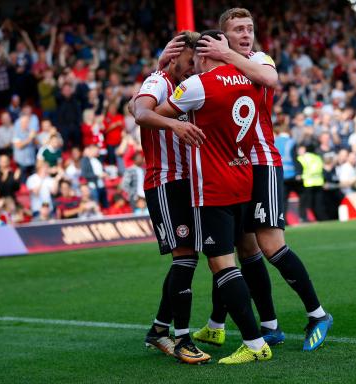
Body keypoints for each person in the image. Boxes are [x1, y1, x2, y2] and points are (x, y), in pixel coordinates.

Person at [186, 9, 332, 351]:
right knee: (245, 248)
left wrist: (228, 55)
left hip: (262, 161)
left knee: (270, 245)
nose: (246, 33)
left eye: (249, 28)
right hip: (236, 168)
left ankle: (317, 313)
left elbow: (270, 80)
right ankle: (269, 326)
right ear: (223, 35)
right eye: (238, 29)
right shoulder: (220, 70)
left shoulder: (258, 59)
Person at [154, 29, 273, 364]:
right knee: (240, 256)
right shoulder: (249, 79)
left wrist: (164, 76)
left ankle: (253, 343)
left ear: (205, 54)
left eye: (195, 59)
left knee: (222, 265)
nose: (192, 66)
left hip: (212, 187)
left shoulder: (197, 86)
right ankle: (228, 327)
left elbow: (154, 114)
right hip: (243, 179)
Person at [132, 31, 210, 364]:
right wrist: (174, 125)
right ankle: (181, 339)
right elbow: (140, 113)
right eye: (190, 62)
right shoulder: (158, 81)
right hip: (165, 181)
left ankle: (159, 330)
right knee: (185, 258)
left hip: (189, 182)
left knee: (187, 258)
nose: (194, 69)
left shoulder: (191, 86)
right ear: (175, 55)